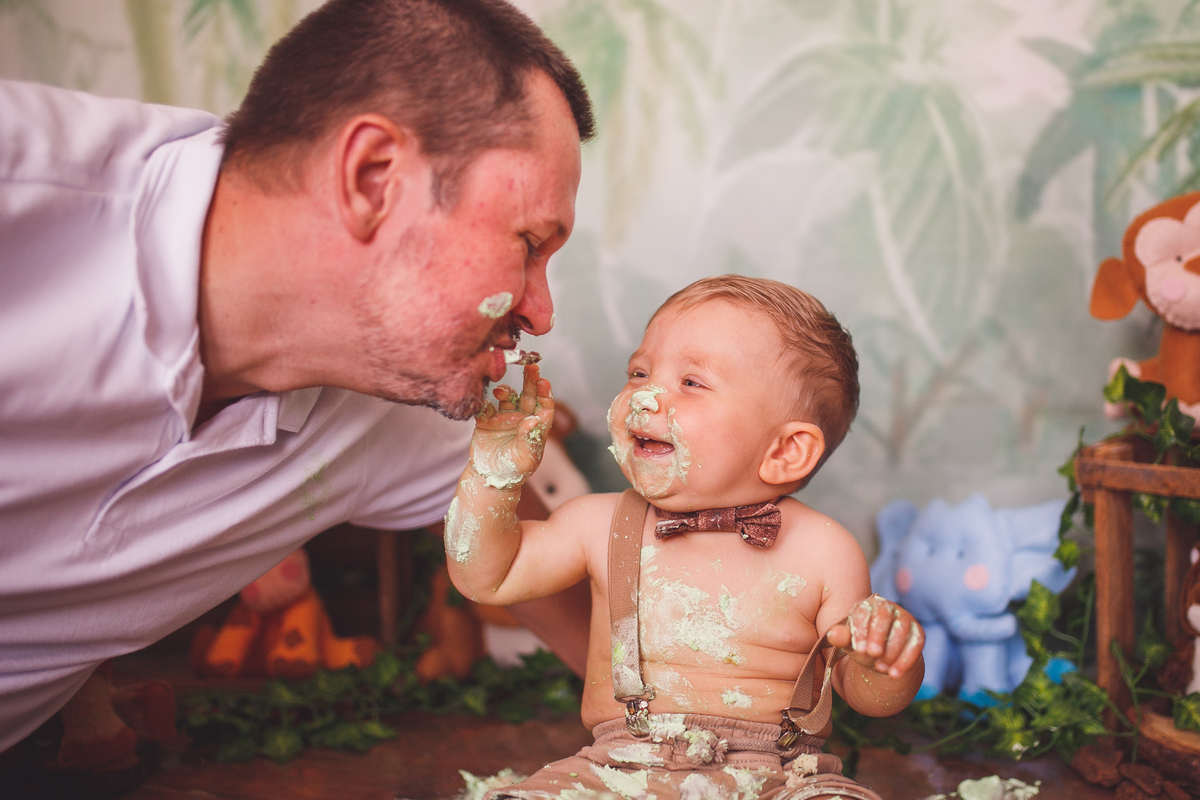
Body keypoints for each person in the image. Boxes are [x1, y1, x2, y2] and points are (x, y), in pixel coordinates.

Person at [0, 0, 594, 751]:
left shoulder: (398, 425)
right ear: (373, 178)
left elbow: (613, 653)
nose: (541, 313)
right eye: (529, 243)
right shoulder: (22, 191)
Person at [446, 276, 925, 800]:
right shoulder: (597, 524)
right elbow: (488, 577)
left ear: (785, 451)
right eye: (640, 372)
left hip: (778, 775)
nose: (645, 395)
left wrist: (883, 663)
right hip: (618, 769)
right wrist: (494, 475)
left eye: (692, 383)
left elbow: (868, 698)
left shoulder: (824, 550)